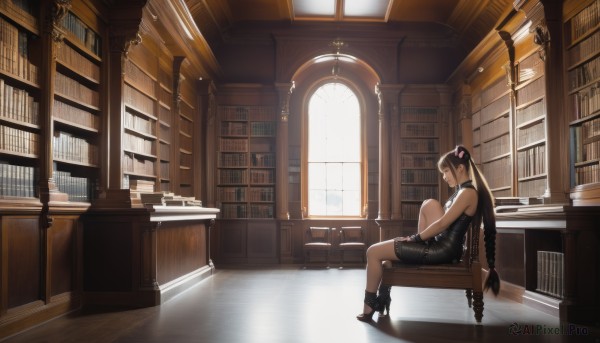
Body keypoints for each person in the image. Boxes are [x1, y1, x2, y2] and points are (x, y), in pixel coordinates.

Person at [357, 145, 500, 322]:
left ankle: (370, 305)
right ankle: (382, 298)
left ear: (460, 168)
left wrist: (416, 238)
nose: (444, 176)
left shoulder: (468, 193)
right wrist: (416, 240)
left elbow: (442, 224)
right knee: (428, 204)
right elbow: (442, 223)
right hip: (444, 247)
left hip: (443, 250)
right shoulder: (462, 192)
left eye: (446, 171)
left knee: (372, 251)